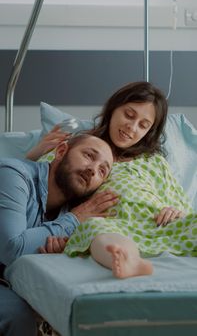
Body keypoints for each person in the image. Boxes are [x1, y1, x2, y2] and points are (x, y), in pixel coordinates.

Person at [31, 80, 184, 279]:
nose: (132, 127)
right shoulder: (78, 148)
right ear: (113, 109)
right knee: (96, 230)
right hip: (111, 225)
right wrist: (34, 155)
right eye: (129, 115)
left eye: (143, 125)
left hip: (159, 227)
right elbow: (36, 189)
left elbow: (181, 206)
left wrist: (174, 211)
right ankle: (128, 260)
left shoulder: (155, 162)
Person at [0, 133, 117, 336]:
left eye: (102, 171)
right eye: (89, 155)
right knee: (20, 318)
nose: (92, 170)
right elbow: (10, 248)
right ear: (61, 151)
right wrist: (74, 218)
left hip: (10, 281)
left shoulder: (69, 215)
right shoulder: (13, 174)